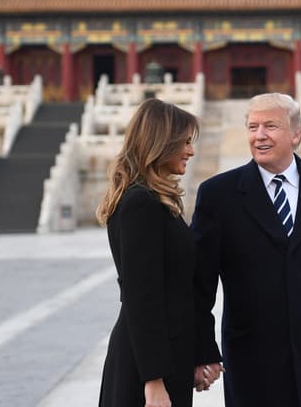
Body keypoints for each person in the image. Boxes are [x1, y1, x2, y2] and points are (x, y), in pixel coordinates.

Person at [192, 93, 301, 407]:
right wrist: (203, 350)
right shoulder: (218, 195)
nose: (259, 135)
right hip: (252, 358)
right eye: (253, 127)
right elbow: (199, 284)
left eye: (270, 126)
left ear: (296, 135)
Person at [97, 99, 209, 407]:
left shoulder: (157, 201)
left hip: (166, 356)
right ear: (163, 143)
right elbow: (142, 297)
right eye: (185, 142)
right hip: (146, 367)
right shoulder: (140, 204)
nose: (191, 151)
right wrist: (154, 380)